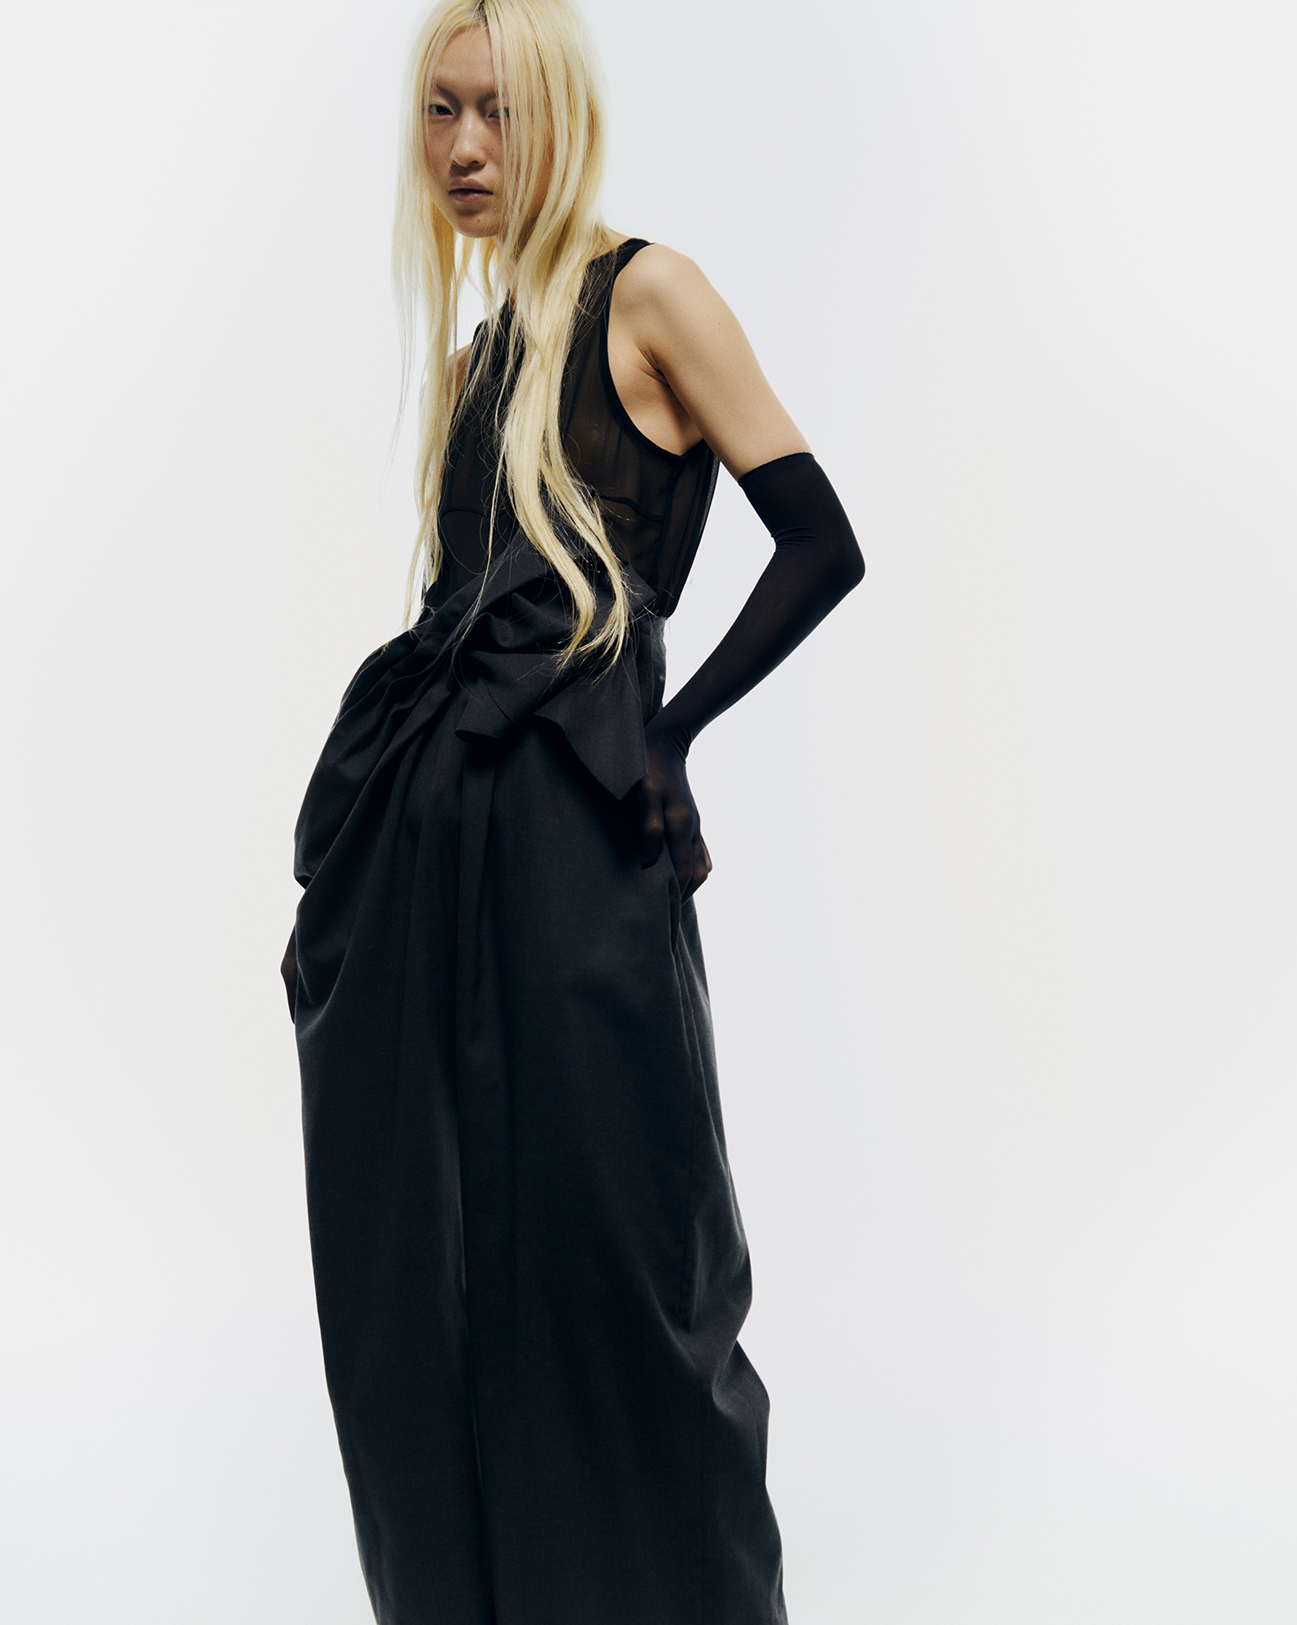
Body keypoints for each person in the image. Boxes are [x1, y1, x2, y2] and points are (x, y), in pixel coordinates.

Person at [281, 2, 863, 1621]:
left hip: (577, 845)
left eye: (499, 111)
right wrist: (341, 894)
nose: (466, 147)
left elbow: (823, 542)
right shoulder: (478, 361)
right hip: (423, 855)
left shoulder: (651, 294)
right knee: (431, 1277)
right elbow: (447, 630)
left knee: (622, 1256)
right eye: (440, 112)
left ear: (562, 120)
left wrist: (671, 732)